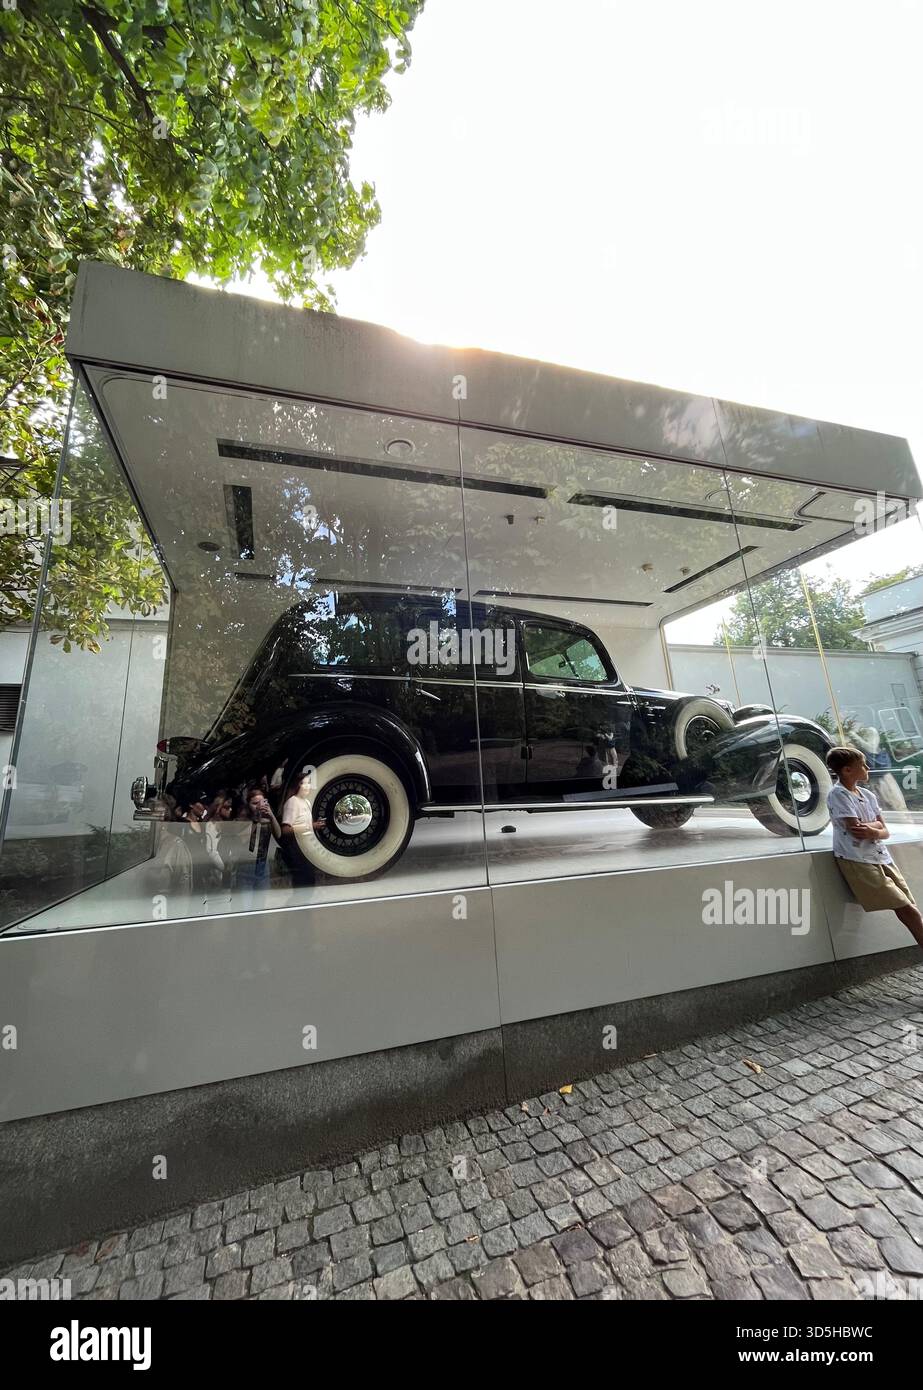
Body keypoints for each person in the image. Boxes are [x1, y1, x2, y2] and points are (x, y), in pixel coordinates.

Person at [825, 745, 923, 948]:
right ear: (847, 770)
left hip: (881, 857)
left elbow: (884, 830)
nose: (868, 768)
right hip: (858, 860)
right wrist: (875, 827)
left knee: (909, 907)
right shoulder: (838, 795)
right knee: (907, 908)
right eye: (863, 765)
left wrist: (874, 829)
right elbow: (856, 829)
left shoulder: (868, 795)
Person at [280, 773, 326, 887]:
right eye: (302, 783)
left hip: (307, 847)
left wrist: (315, 825)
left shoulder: (306, 802)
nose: (306, 786)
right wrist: (310, 826)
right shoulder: (292, 802)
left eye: (308, 783)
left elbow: (305, 824)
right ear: (297, 785)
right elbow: (285, 830)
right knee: (302, 880)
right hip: (296, 847)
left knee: (309, 880)